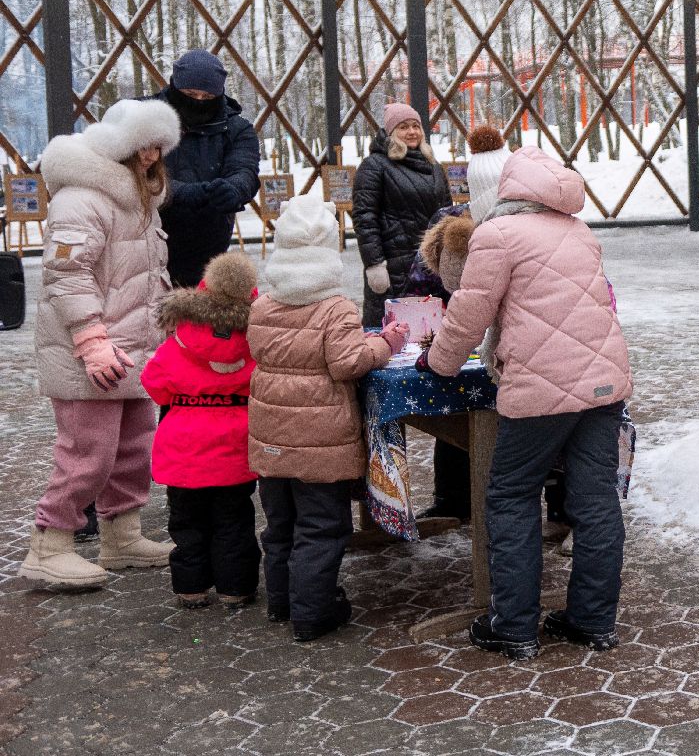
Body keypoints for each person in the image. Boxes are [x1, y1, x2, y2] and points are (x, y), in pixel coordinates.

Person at [424, 146, 633, 661]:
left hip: (542, 389)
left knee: (512, 496)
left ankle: (513, 626)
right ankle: (592, 620)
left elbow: (470, 314)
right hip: (604, 384)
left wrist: (438, 363)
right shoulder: (579, 230)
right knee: (596, 501)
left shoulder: (497, 235)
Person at [21, 100, 182, 590]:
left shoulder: (139, 200)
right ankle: (49, 545)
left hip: (133, 348)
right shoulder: (82, 199)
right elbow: (67, 275)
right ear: (121, 146)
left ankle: (122, 534)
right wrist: (91, 339)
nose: (152, 154)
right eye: (143, 144)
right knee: (87, 452)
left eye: (159, 144)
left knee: (134, 447)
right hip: (89, 352)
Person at [247, 195, 407, 640]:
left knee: (281, 525)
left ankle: (282, 602)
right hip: (321, 440)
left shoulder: (263, 306)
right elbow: (347, 363)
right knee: (321, 526)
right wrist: (387, 344)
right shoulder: (334, 308)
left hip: (271, 437)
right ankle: (313, 614)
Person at [397, 123, 511, 523]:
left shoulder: (521, 227)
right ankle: (454, 499)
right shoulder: (451, 221)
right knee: (453, 416)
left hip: (505, 349)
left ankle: (548, 511)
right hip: (468, 340)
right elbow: (420, 287)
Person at [141, 251, 261, 609]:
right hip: (235, 443)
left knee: (186, 520)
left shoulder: (178, 340)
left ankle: (190, 587)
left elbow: (155, 385)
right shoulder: (253, 339)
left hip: (183, 445)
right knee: (234, 520)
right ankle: (235, 588)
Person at [154, 49, 261, 288]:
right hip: (148, 241)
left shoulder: (237, 129)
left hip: (209, 245)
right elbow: (136, 175)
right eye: (190, 94)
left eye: (207, 96)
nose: (199, 101)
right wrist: (184, 193)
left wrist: (233, 189)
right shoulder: (146, 117)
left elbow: (245, 170)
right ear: (175, 86)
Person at [352, 102, 451, 328]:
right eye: (404, 127)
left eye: (416, 126)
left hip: (430, 267)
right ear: (391, 133)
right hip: (394, 269)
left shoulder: (434, 166)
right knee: (393, 335)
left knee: (430, 331)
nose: (412, 132)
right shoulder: (374, 166)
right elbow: (365, 218)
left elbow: (446, 214)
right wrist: (374, 264)